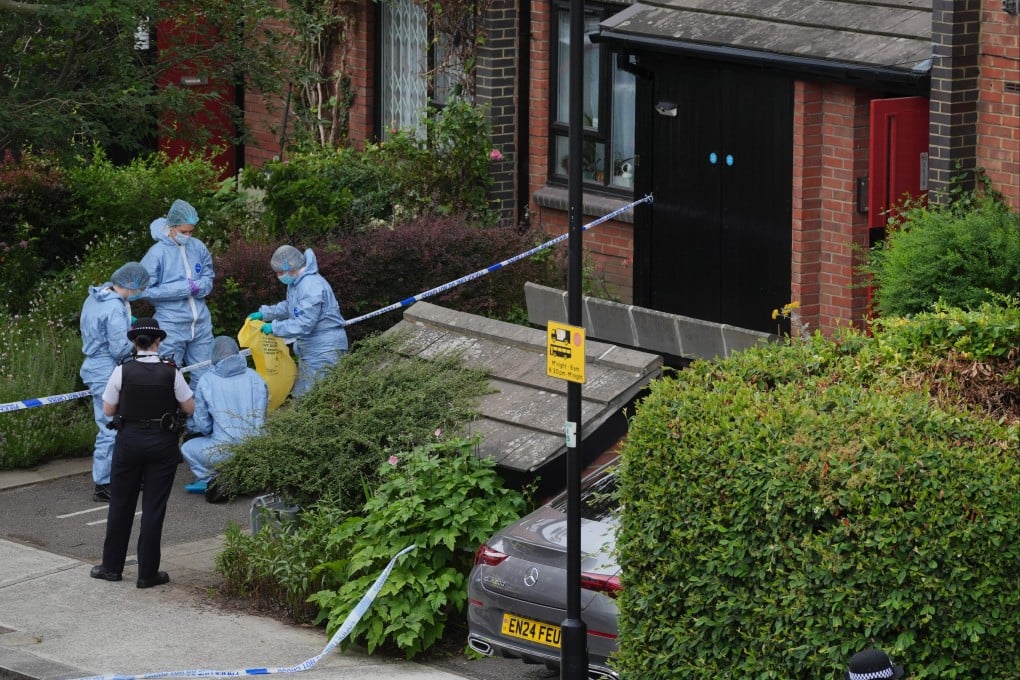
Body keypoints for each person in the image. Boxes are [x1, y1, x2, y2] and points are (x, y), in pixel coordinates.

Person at [90, 317, 194, 589]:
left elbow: (109, 411)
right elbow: (189, 407)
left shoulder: (121, 371)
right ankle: (147, 573)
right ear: (158, 341)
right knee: (153, 509)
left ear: (134, 342)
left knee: (121, 505)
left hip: (129, 442)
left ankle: (111, 568)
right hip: (162, 443)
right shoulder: (172, 371)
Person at [79, 262, 150, 502]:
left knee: (121, 423)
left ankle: (120, 476)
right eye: (140, 288)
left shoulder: (97, 296)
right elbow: (119, 348)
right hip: (105, 369)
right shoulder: (114, 309)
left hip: (98, 365)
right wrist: (142, 345)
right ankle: (104, 483)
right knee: (111, 426)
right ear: (133, 285)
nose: (140, 293)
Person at [248, 245, 348, 397]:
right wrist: (265, 313)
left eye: (281, 272)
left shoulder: (311, 286)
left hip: (324, 350)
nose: (279, 277)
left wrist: (274, 328)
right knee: (304, 398)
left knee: (321, 399)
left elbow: (305, 323)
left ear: (291, 266)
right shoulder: (295, 284)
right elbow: (290, 306)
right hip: (311, 350)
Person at [140, 198, 214, 385]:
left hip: (201, 324)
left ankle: (198, 415)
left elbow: (208, 276)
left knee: (204, 375)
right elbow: (144, 290)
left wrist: (201, 287)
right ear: (171, 227)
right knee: (168, 376)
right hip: (171, 324)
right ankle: (169, 414)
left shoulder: (198, 247)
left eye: (191, 231)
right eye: (183, 232)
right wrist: (184, 289)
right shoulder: (157, 253)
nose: (187, 236)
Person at [181, 336, 269, 495]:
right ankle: (255, 476)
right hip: (258, 447)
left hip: (224, 450)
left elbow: (203, 426)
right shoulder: (255, 377)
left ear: (213, 355)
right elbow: (263, 413)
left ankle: (216, 480)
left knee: (187, 448)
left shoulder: (206, 380)